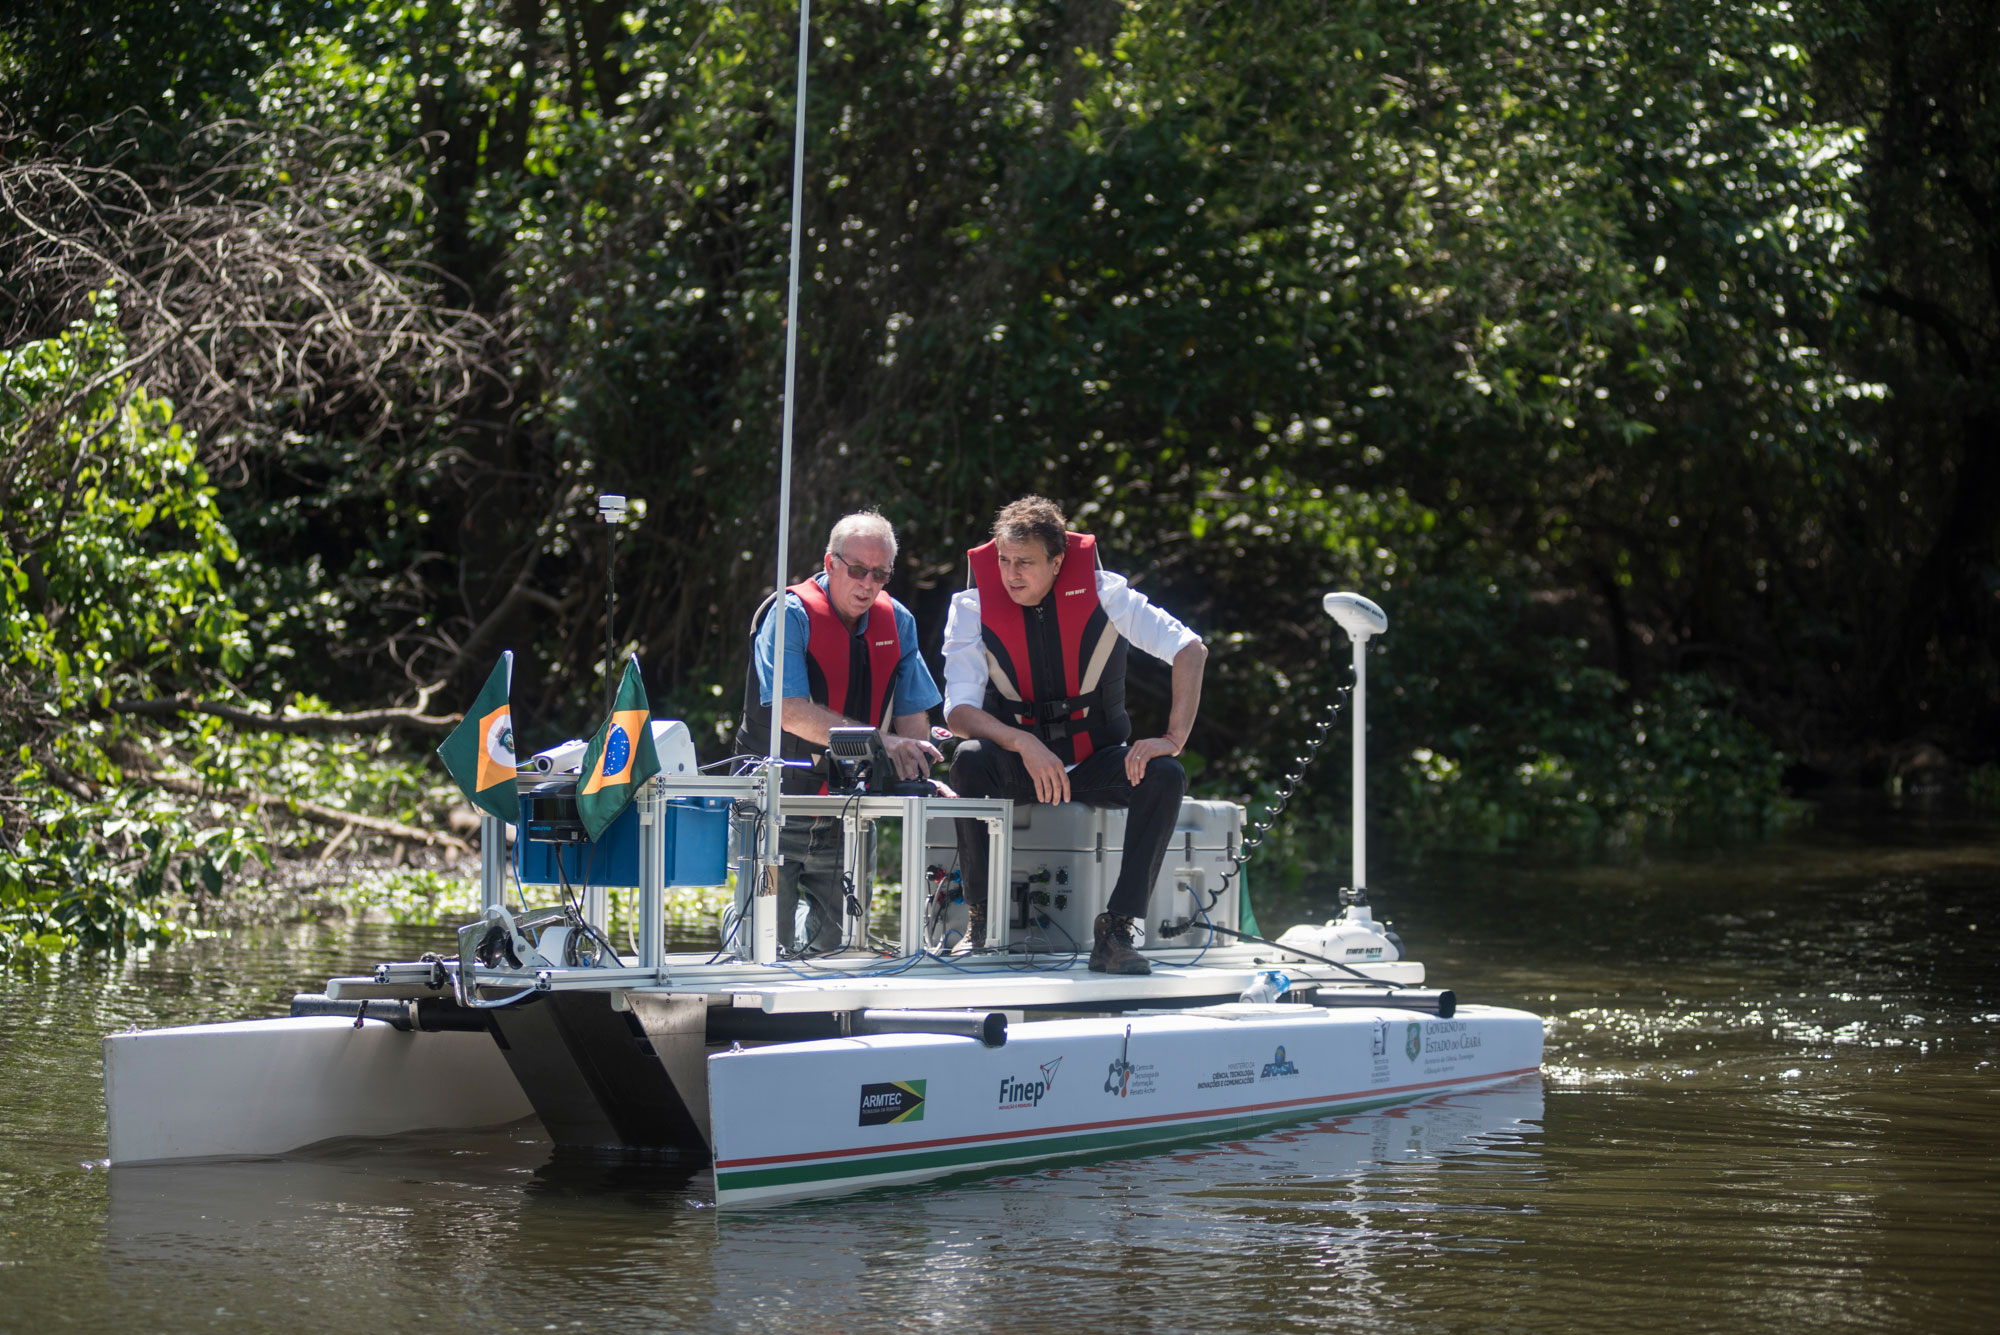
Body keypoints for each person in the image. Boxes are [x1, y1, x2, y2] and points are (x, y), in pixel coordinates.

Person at [943, 496, 1207, 974]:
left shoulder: (1107, 593)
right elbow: (958, 710)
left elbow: (1190, 649)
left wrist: (1172, 737)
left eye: (1025, 562)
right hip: (1018, 764)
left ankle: (1117, 929)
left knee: (1165, 775)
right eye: (1004, 560)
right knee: (967, 758)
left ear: (1058, 560)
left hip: (1094, 762)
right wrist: (1022, 743)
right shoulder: (972, 605)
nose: (1011, 574)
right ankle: (979, 922)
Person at [736, 511, 944, 954]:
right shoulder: (789, 614)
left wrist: (917, 758)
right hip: (776, 806)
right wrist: (880, 741)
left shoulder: (899, 622)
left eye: (880, 574)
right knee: (761, 941)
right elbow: (789, 712)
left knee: (839, 945)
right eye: (857, 570)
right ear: (830, 563)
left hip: (849, 814)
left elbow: (912, 719)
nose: (868, 584)